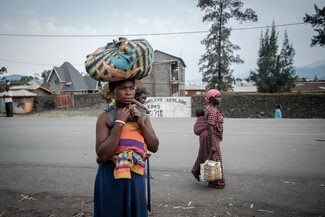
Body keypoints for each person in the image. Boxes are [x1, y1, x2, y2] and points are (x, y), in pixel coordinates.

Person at [94, 78, 159, 217]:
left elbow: (154, 147)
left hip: (135, 177)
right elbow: (103, 155)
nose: (128, 92)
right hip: (112, 177)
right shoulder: (105, 117)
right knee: (112, 211)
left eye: (131, 88)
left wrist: (141, 125)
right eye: (123, 88)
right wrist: (119, 123)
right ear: (112, 91)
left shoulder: (141, 115)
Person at [191, 89, 226, 189]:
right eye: (218, 96)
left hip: (208, 136)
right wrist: (213, 144)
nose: (220, 99)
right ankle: (218, 182)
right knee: (216, 158)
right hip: (210, 137)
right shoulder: (212, 110)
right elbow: (210, 127)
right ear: (211, 98)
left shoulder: (209, 108)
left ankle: (199, 172)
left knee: (208, 157)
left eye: (220, 96)